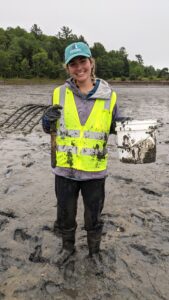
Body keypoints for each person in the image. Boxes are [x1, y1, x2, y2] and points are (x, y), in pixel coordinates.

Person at [42, 41, 122, 269]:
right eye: (73, 64)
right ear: (67, 68)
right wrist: (46, 121)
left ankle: (94, 252)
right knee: (65, 214)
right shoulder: (58, 93)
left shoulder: (110, 96)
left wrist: (129, 127)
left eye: (83, 61)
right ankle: (67, 248)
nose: (79, 68)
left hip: (94, 171)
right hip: (64, 169)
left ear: (91, 63)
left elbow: (115, 126)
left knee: (93, 216)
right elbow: (50, 128)